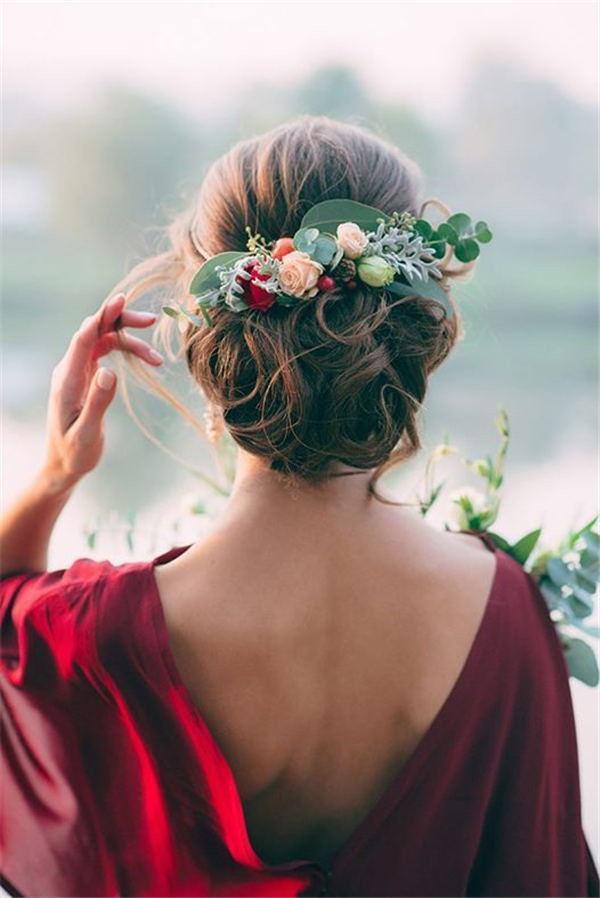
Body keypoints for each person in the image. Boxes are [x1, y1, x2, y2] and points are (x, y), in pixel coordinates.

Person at [1, 117, 598, 898]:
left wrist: (53, 475)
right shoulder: (505, 611)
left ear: (205, 339)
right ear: (412, 334)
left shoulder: (97, 631)